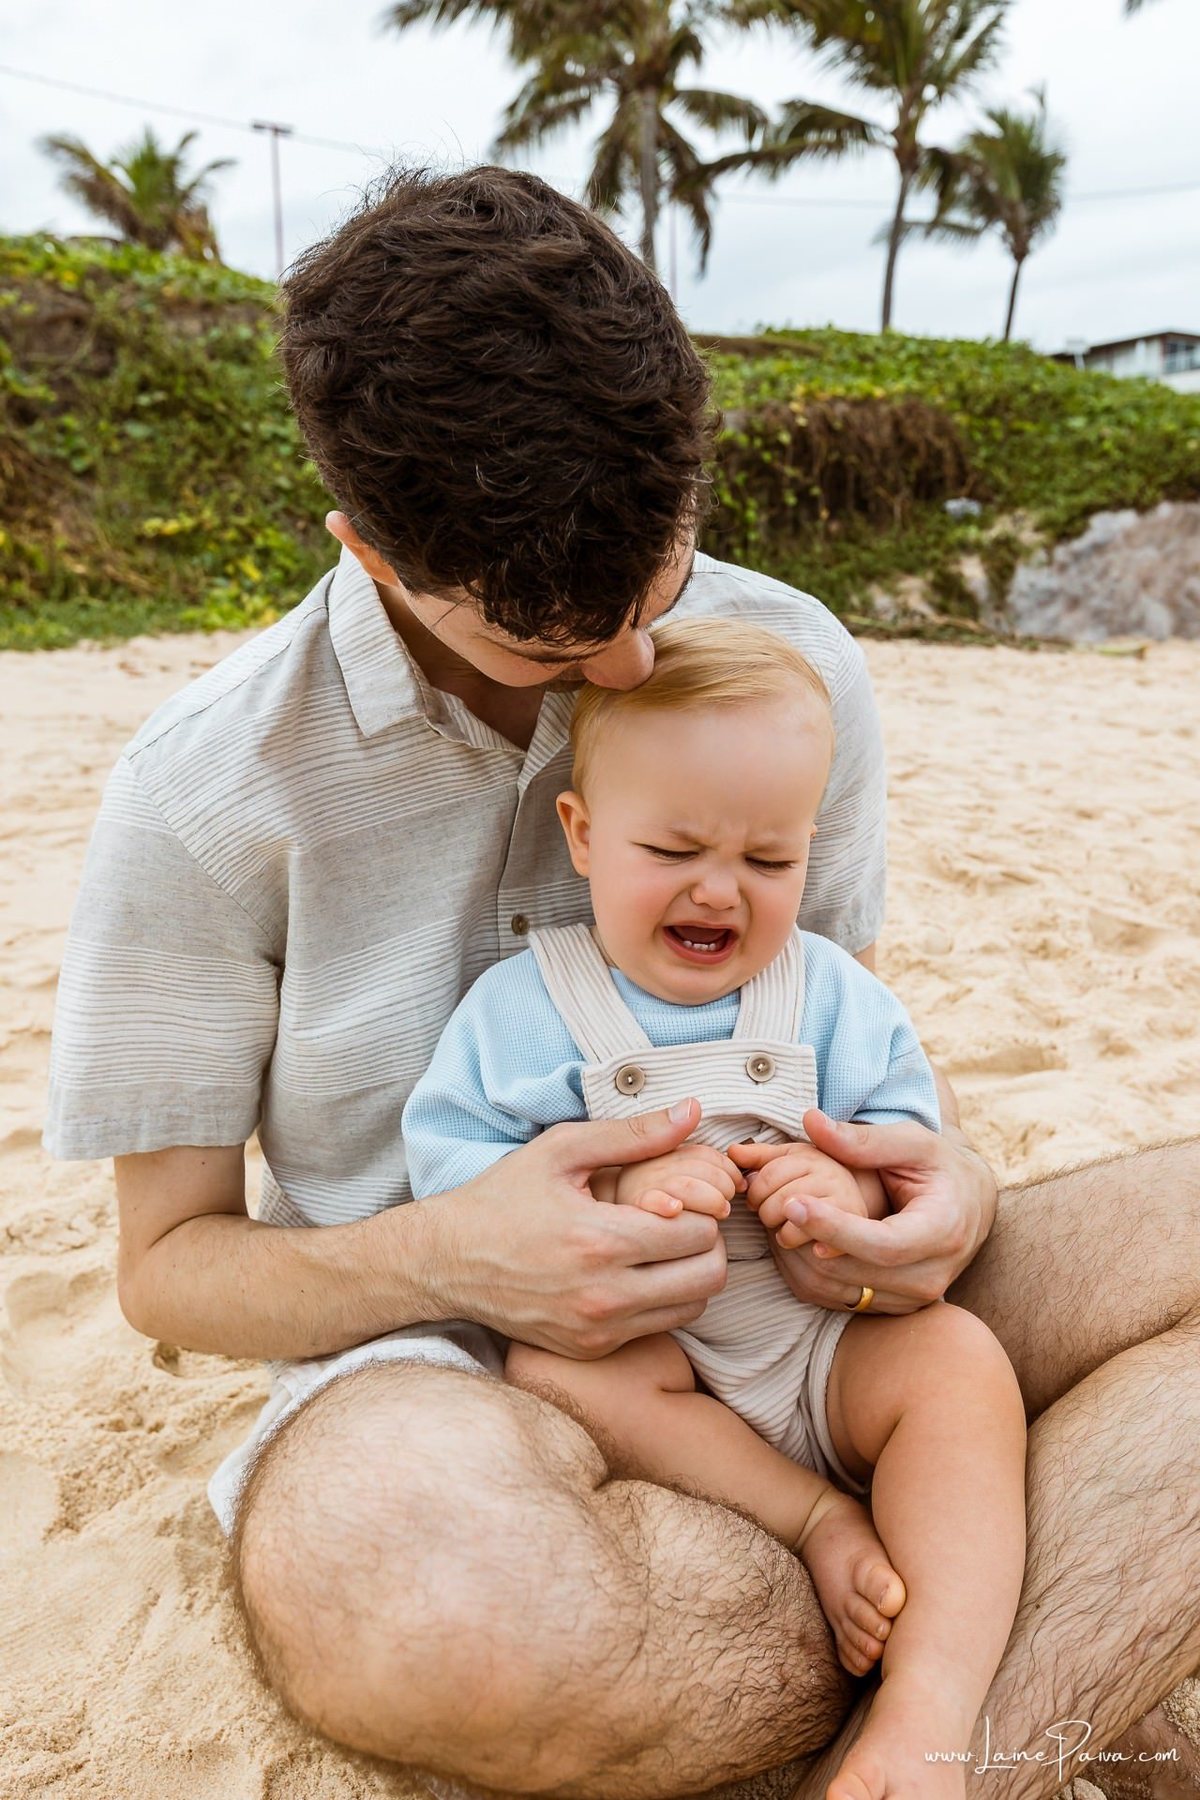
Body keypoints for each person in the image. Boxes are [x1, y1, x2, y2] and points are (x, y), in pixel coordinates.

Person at [43, 165, 1199, 1799]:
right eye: (553, 648)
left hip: (807, 1301)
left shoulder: (789, 666)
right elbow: (169, 1270)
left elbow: (821, 1049)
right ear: (371, 549)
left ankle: (947, 1712)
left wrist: (942, 1183)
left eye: (657, 584)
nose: (637, 668)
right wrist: (461, 1252)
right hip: (453, 1369)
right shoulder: (207, 794)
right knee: (428, 1610)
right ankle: (1030, 1654)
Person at [401, 615, 1028, 1799]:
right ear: (582, 838)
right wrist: (612, 1188)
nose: (720, 890)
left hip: (828, 1342)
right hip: (652, 1366)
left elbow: (913, 1139)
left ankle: (933, 1707)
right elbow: (455, 1176)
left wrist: (849, 1183)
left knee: (959, 1364)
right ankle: (810, 1521)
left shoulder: (829, 994)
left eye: (769, 861)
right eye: (675, 847)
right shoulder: (522, 1008)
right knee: (553, 1376)